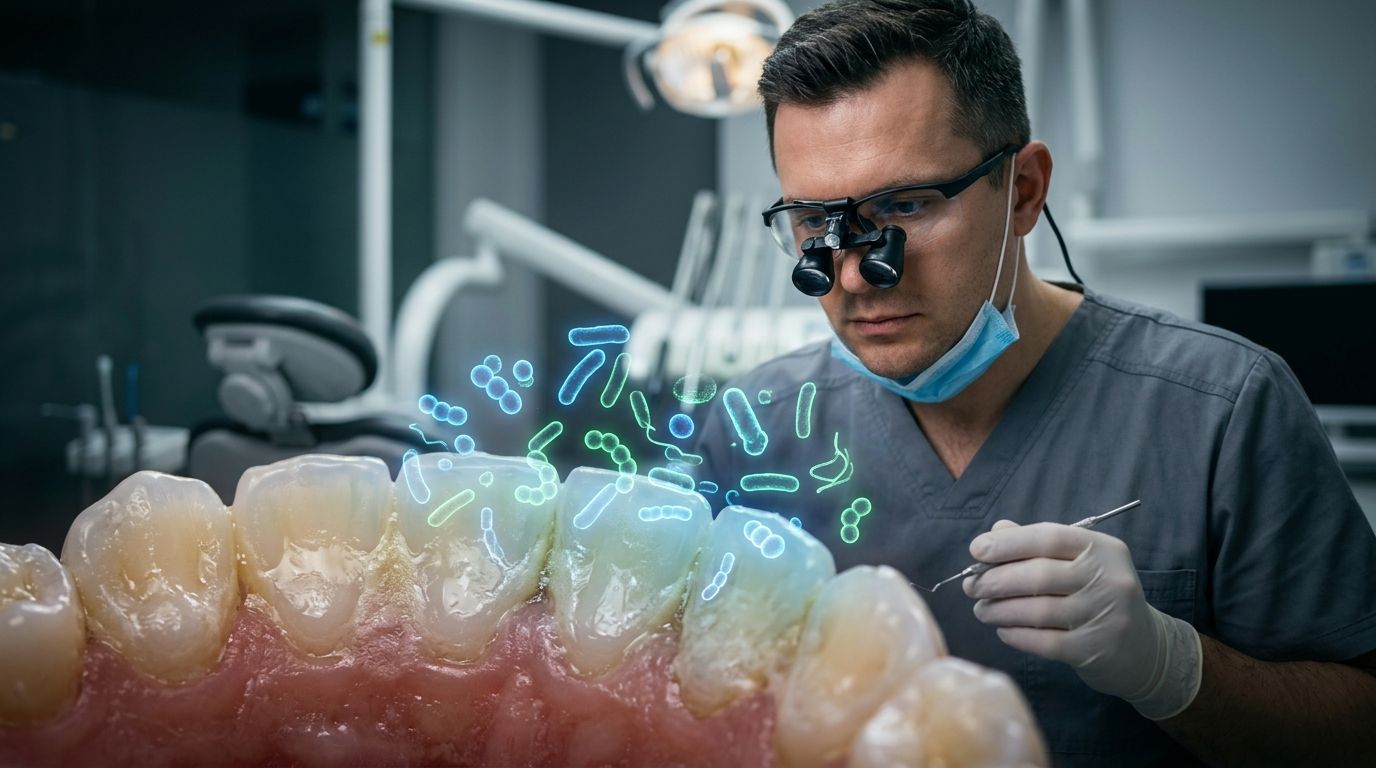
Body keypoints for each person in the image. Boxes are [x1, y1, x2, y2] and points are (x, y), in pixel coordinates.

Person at [689, 1, 1376, 764]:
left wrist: (1172, 666)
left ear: (1023, 191)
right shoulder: (756, 428)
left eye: (906, 206)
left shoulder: (1222, 409)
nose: (853, 273)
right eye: (814, 220)